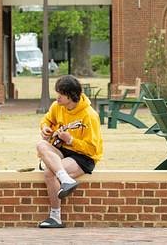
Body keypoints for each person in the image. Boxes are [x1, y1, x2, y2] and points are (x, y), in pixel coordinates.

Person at [34, 75, 102, 229]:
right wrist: (45, 128)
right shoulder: (57, 106)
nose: (57, 97)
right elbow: (47, 120)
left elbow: (93, 149)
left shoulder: (89, 115)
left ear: (71, 96)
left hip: (83, 157)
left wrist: (71, 140)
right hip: (62, 151)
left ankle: (55, 217)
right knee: (40, 145)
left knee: (49, 173)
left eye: (61, 94)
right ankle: (65, 179)